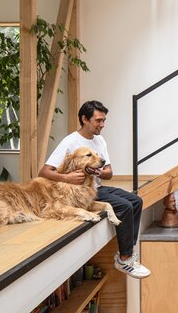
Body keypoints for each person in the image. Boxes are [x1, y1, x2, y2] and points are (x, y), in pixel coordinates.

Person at [39, 100, 151, 279]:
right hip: (79, 191)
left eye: (104, 120)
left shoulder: (100, 140)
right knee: (125, 206)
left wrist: (97, 170)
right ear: (84, 119)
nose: (102, 124)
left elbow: (109, 172)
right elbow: (45, 171)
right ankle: (125, 257)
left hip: (97, 186)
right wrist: (67, 177)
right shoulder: (70, 141)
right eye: (98, 120)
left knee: (136, 201)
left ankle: (128, 253)